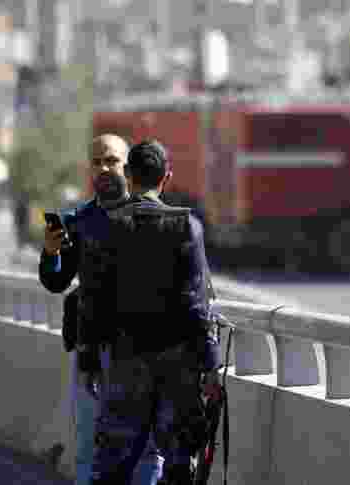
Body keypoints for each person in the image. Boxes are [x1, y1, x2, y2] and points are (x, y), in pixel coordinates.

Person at [83, 140, 222, 485]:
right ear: (167, 178)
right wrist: (211, 365)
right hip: (177, 368)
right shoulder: (186, 227)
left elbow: (92, 300)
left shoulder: (108, 227)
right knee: (177, 466)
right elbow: (196, 305)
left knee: (112, 468)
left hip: (125, 362)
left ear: (128, 175)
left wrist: (89, 358)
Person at [39, 134, 161, 484]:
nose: (105, 169)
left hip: (144, 356)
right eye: (97, 162)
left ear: (129, 165)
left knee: (148, 451)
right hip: (94, 356)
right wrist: (51, 252)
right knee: (91, 451)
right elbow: (56, 282)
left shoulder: (151, 218)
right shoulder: (77, 221)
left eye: (112, 160)